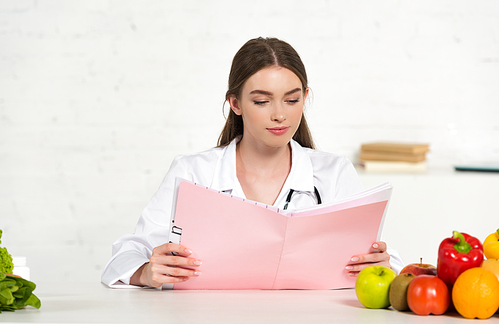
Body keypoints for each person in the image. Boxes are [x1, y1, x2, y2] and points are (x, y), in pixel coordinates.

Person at [101, 37, 404, 288]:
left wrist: (381, 263)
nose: (279, 115)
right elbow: (128, 252)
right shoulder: (193, 172)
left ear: (305, 97)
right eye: (262, 101)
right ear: (235, 103)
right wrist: (144, 272)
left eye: (292, 99)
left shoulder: (333, 173)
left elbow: (386, 260)